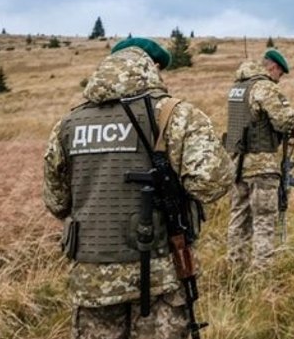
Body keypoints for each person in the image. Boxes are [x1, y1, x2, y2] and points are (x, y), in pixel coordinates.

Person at [43, 37, 234, 339]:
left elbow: (56, 203)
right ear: (153, 66)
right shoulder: (175, 115)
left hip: (93, 281)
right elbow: (211, 183)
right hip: (160, 275)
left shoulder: (68, 124)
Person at [224, 49, 294, 269]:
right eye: (280, 74)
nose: (279, 79)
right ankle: (261, 273)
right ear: (273, 67)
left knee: (238, 218)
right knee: (264, 219)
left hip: (237, 164)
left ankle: (235, 268)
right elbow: (284, 121)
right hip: (261, 165)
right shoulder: (265, 87)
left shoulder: (238, 88)